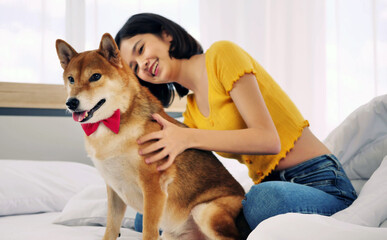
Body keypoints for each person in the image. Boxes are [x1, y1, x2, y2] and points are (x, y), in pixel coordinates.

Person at [115, 13, 357, 234]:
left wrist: (187, 137)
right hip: (274, 185)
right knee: (145, 217)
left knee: (260, 201)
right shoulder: (191, 113)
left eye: (141, 49)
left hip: (321, 182)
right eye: (134, 67)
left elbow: (268, 139)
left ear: (166, 35)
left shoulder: (222, 55)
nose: (142, 64)